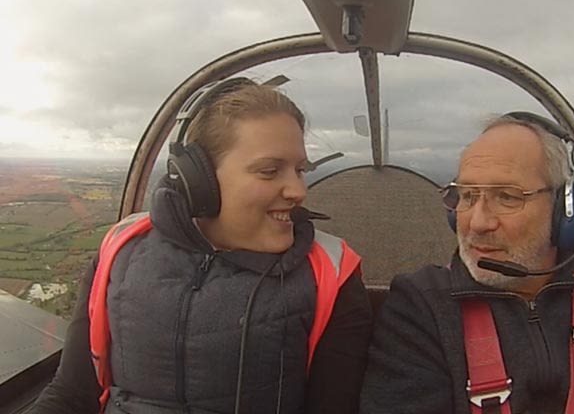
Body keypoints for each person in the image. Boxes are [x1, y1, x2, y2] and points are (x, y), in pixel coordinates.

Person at [31, 78, 373, 414]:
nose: (298, 191)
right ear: (198, 179)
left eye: (300, 170)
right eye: (270, 171)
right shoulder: (122, 248)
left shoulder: (331, 273)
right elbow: (73, 394)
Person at [360, 112, 574, 414]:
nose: (478, 222)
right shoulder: (420, 306)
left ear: (566, 210)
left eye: (507, 197)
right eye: (468, 195)